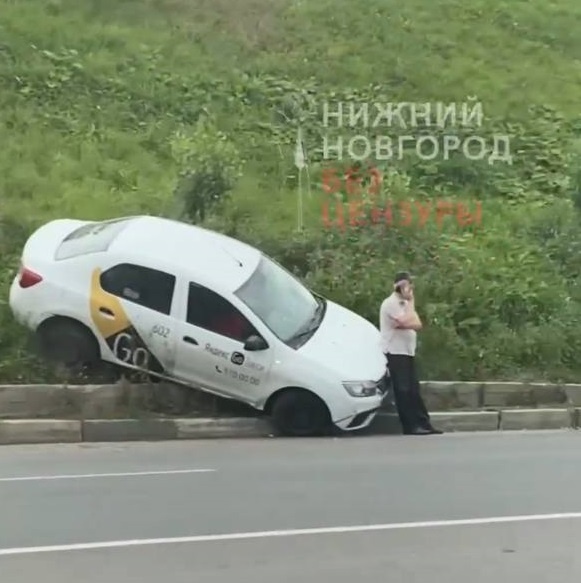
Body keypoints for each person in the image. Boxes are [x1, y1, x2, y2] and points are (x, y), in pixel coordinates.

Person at [379, 271, 442, 435]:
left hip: (407, 351)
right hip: (394, 351)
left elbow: (417, 323)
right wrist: (410, 317)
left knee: (413, 389)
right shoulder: (391, 303)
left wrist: (411, 303)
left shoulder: (406, 304)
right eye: (404, 286)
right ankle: (410, 425)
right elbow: (405, 322)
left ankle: (423, 422)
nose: (408, 289)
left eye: (409, 285)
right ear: (397, 287)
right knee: (403, 390)